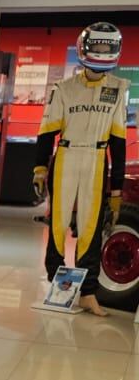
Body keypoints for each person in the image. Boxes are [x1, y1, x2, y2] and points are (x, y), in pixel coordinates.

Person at [34, 22, 129, 317]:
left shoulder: (118, 89)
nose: (101, 52)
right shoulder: (63, 88)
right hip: (67, 155)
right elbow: (47, 133)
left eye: (106, 47)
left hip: (97, 159)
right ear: (84, 47)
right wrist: (39, 169)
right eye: (97, 47)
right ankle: (57, 286)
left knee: (90, 226)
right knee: (59, 225)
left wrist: (115, 191)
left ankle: (88, 293)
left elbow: (118, 142)